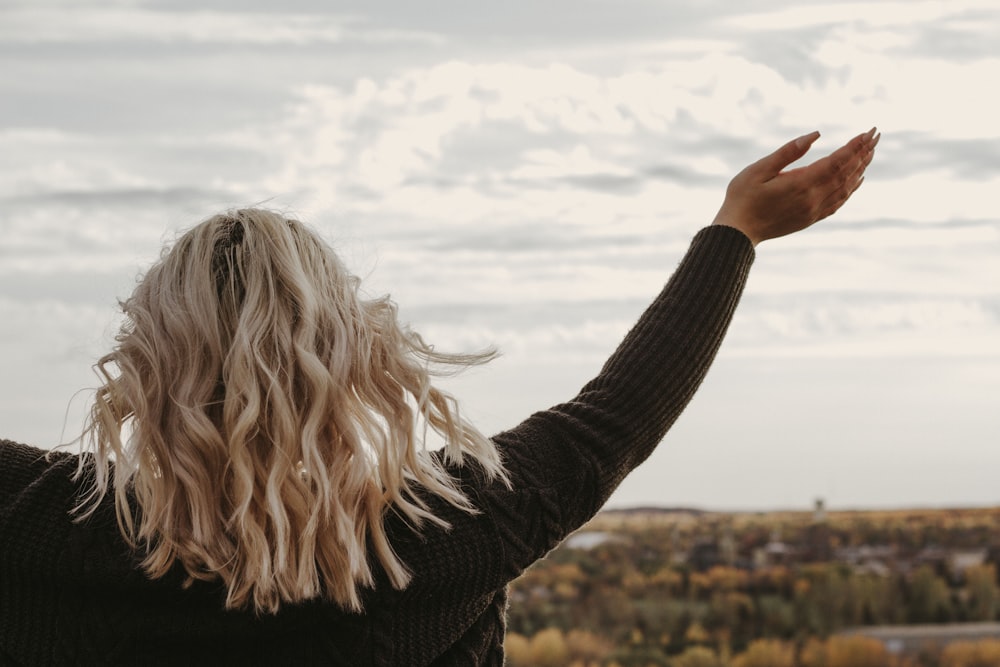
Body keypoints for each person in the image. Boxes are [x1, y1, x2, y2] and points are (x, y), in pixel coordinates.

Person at [0, 128, 878, 666]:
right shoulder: (443, 530)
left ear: (145, 354)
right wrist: (736, 231)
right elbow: (614, 417)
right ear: (350, 351)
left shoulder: (38, 522)